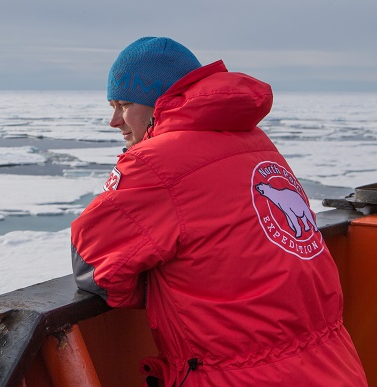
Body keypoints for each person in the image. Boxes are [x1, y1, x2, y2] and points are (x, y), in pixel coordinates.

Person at [70, 37, 368, 386]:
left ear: (158, 103)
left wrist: (162, 289)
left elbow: (92, 261)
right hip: (333, 365)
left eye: (123, 105)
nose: (114, 121)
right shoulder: (256, 143)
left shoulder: (154, 164)